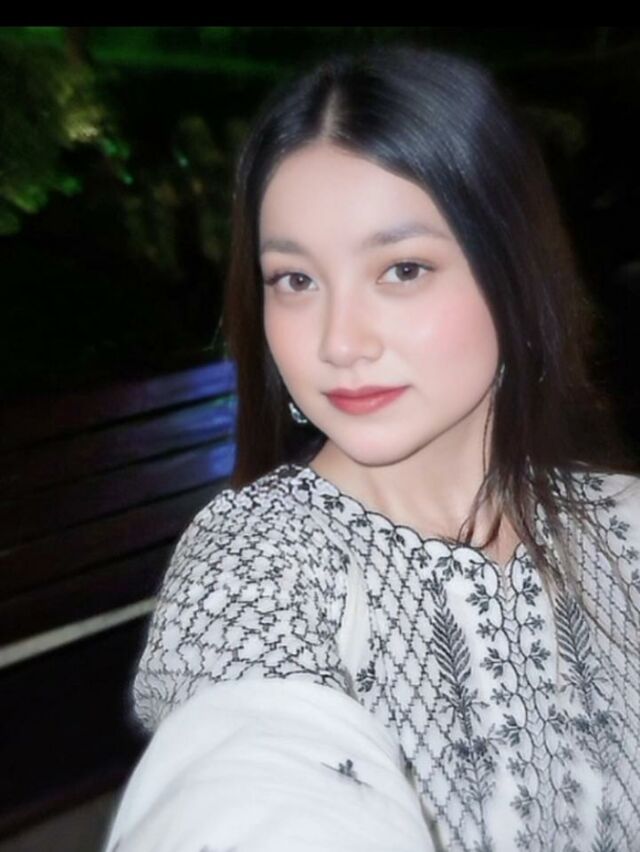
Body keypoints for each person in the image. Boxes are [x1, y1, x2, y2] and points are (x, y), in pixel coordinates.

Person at [103, 43, 640, 852]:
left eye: (402, 269)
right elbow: (249, 768)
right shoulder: (259, 563)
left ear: (514, 271)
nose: (339, 342)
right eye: (295, 280)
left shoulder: (622, 520)